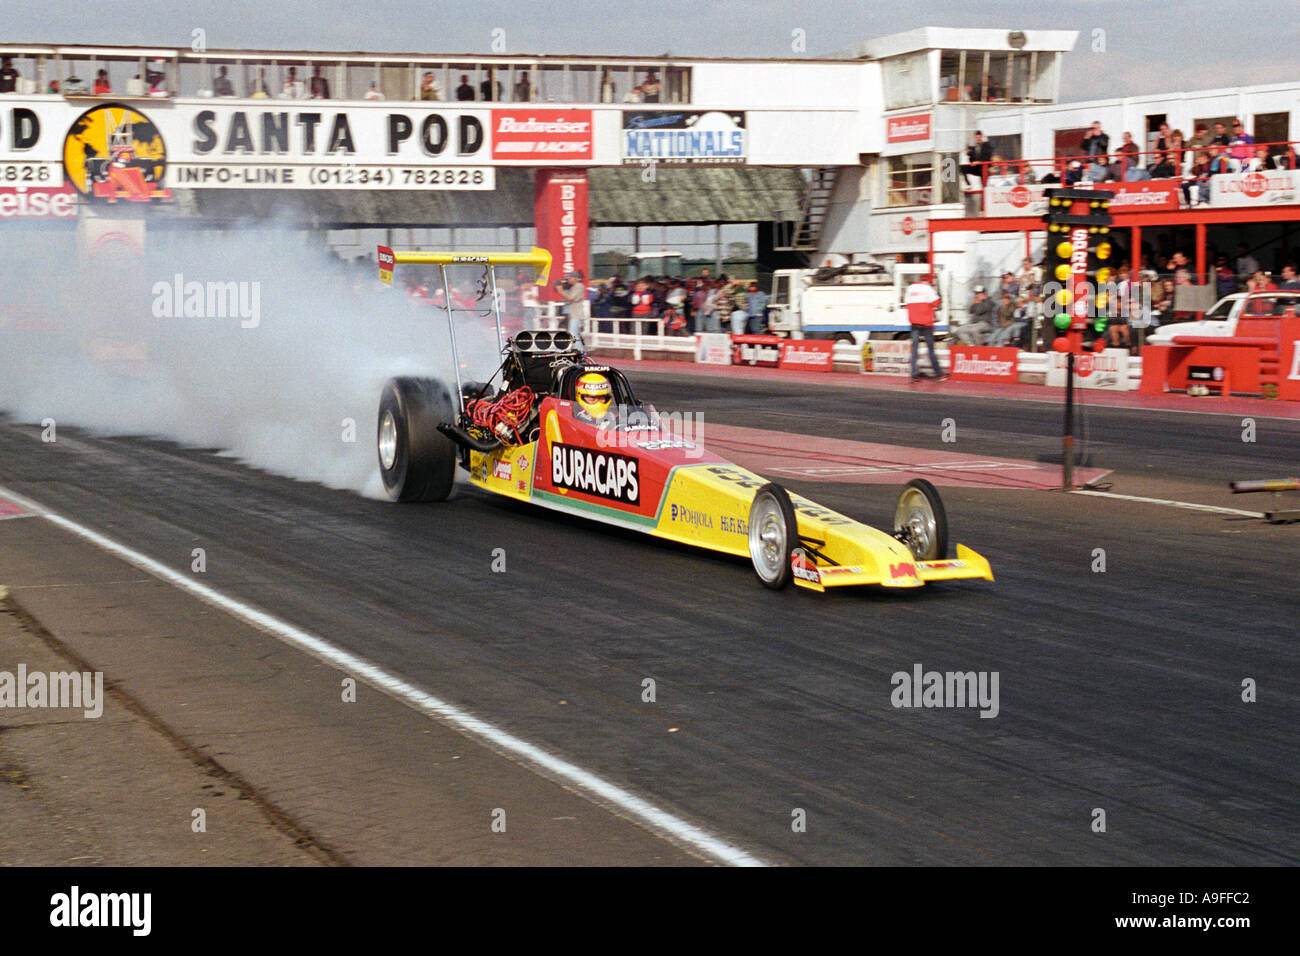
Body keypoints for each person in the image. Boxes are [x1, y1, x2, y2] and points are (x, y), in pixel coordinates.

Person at [904, 274, 944, 381]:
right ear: (929, 281)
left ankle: (913, 375)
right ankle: (938, 374)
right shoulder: (928, 288)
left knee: (914, 350)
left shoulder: (910, 288)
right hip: (926, 323)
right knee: (930, 349)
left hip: (914, 323)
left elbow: (907, 304)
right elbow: (937, 302)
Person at [555, 272, 586, 340]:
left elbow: (571, 298)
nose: (567, 280)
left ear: (575, 278)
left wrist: (561, 291)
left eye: (569, 278)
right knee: (573, 334)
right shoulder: (574, 287)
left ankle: (578, 349)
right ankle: (577, 349)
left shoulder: (578, 286)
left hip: (576, 314)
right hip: (573, 314)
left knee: (574, 334)